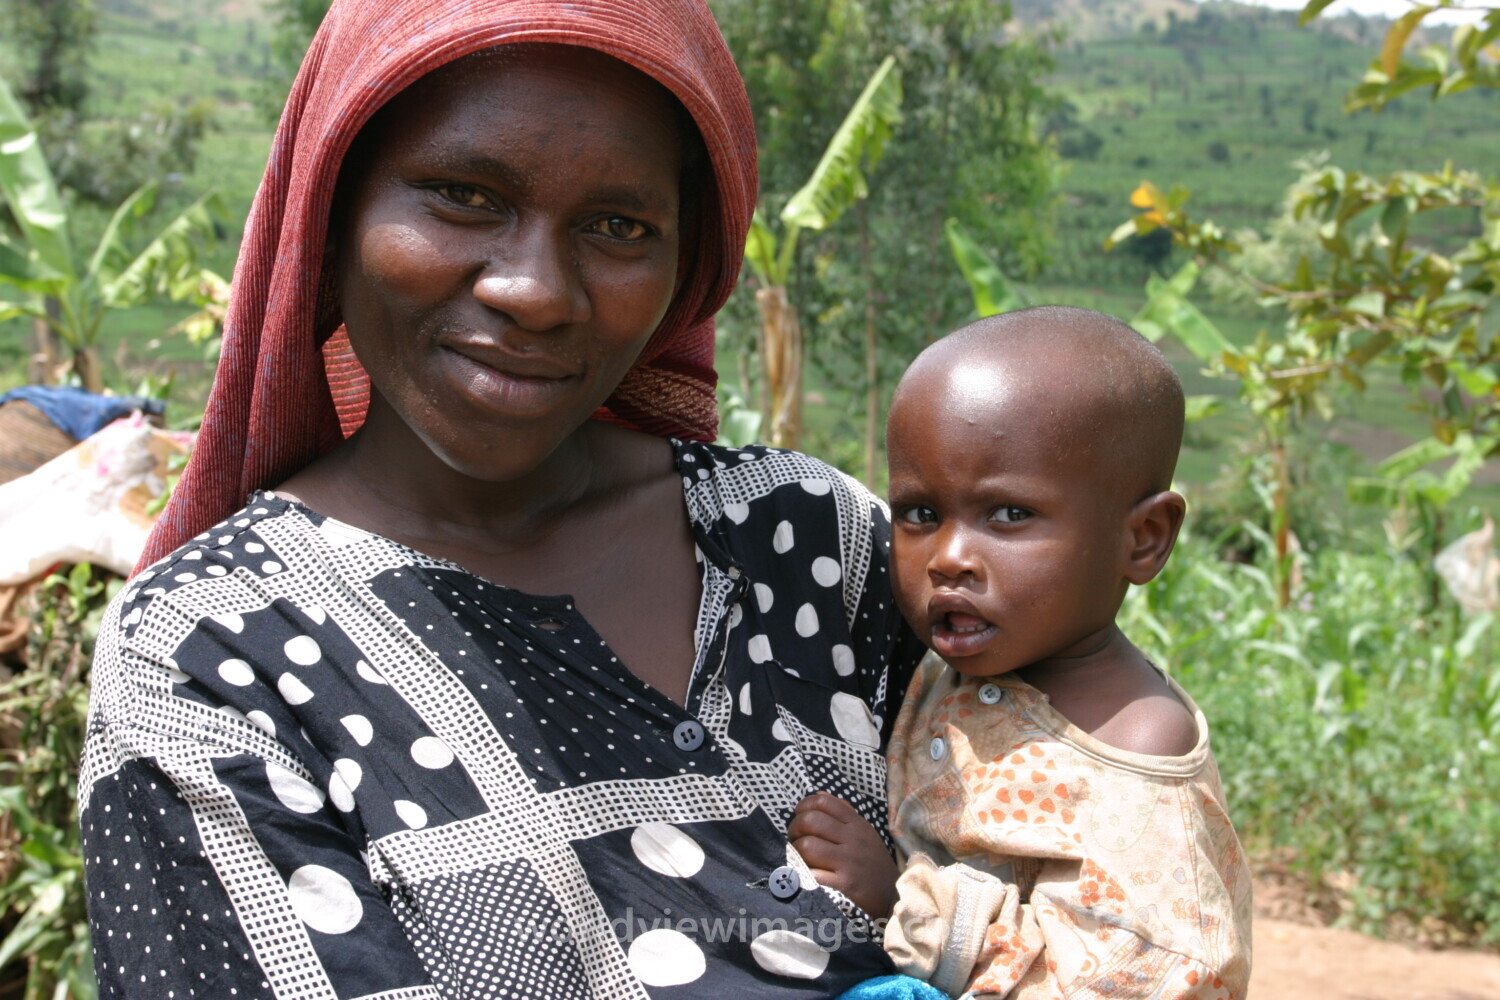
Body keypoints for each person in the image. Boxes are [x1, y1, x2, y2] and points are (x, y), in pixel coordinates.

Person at [78, 2, 924, 996]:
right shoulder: (210, 652)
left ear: (684, 263)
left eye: (618, 225)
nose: (536, 289)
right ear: (332, 212)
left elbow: (1098, 847)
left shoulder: (811, 537)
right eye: (463, 195)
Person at [801, 306, 1252, 999]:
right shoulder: (946, 667)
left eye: (1008, 515)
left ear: (1143, 539)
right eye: (920, 513)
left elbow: (1142, 976)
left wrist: (901, 902)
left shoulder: (1133, 745)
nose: (948, 558)